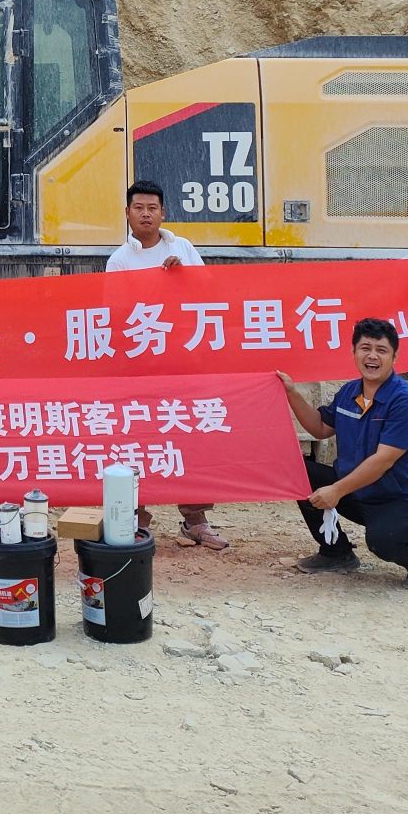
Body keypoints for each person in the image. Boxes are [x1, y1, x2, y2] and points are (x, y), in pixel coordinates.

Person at [105, 180, 227, 551]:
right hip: (139, 365)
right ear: (127, 213)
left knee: (189, 435)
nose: (145, 214)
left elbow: (210, 293)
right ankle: (135, 517)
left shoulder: (183, 248)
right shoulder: (119, 260)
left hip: (184, 360)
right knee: (137, 437)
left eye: (152, 207)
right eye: (138, 207)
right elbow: (115, 313)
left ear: (163, 213)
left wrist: (183, 276)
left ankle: (196, 519)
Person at [277, 318, 408, 590]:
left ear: (394, 357)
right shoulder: (349, 392)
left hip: (405, 500)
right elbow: (319, 428)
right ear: (354, 353)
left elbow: (383, 460)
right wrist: (291, 392)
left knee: (383, 540)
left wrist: (336, 490)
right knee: (300, 471)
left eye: (381, 350)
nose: (372, 356)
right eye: (365, 348)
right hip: (361, 493)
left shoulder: (406, 401)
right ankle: (336, 552)